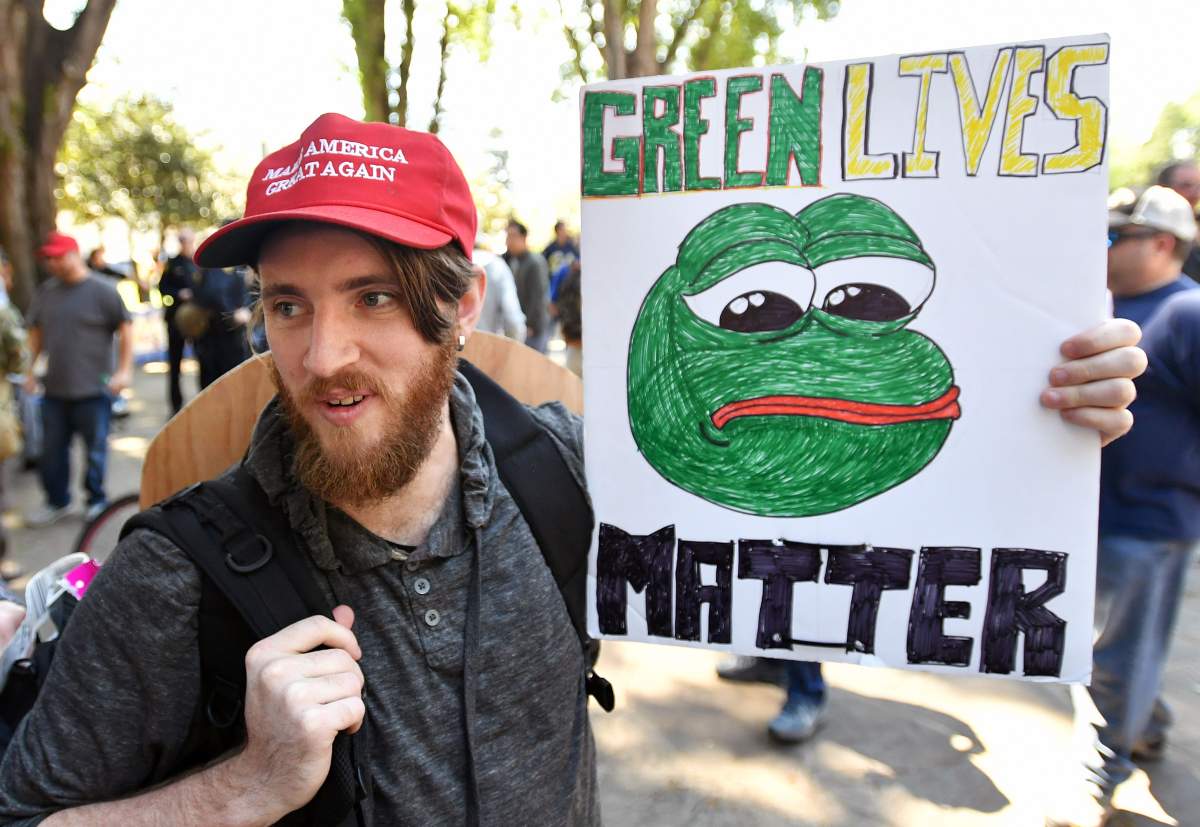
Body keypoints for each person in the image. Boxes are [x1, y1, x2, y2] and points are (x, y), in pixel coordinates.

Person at [0, 114, 1144, 826]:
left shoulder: (572, 476)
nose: (320, 355)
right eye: (287, 305)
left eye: (372, 299)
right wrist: (241, 788)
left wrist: (1042, 410)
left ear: (456, 307)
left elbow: (853, 520)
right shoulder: (179, 575)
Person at [1049, 185, 1200, 827]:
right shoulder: (1094, 304)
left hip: (1147, 518)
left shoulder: (1187, 313)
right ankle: (1147, 724)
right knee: (1127, 643)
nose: (1102, 247)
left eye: (1117, 237)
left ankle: (1103, 767)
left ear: (1162, 244)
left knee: (1109, 649)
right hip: (1086, 512)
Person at [22, 232, 131, 527]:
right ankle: (57, 500)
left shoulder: (103, 290)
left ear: (73, 254)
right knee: (52, 450)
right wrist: (31, 370)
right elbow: (36, 335)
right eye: (50, 258)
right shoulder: (46, 293)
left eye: (58, 257)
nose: (53, 263)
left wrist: (123, 370)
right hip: (54, 389)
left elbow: (125, 327)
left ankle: (96, 500)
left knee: (95, 451)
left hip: (94, 388)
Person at [159, 228, 201, 414]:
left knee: (203, 362)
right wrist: (178, 294)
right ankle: (175, 406)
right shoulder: (172, 263)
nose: (186, 243)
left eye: (189, 240)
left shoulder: (199, 262)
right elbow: (162, 288)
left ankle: (203, 402)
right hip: (176, 319)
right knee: (175, 364)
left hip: (197, 321)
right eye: (183, 240)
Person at [191, 264, 252, 389]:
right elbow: (212, 295)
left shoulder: (239, 267)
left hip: (234, 336)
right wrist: (233, 315)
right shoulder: (212, 268)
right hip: (215, 336)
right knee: (216, 385)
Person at [505, 219, 550, 352]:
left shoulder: (535, 263)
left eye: (512, 237)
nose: (509, 241)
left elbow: (538, 297)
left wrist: (530, 325)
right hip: (520, 327)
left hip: (533, 330)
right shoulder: (510, 261)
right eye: (507, 237)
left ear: (523, 238)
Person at [1156, 160, 1200, 280]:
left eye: (1199, 186)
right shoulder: (1148, 230)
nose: (1196, 193)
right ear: (1164, 187)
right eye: (1187, 185)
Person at [473, 245, 526, 340]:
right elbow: (513, 318)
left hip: (453, 347)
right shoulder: (498, 267)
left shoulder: (454, 262)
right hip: (488, 345)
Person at [543, 220, 580, 286]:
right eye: (563, 230)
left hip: (570, 280)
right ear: (557, 231)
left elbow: (578, 260)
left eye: (565, 230)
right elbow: (543, 262)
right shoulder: (551, 248)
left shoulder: (571, 247)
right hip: (555, 281)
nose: (565, 232)